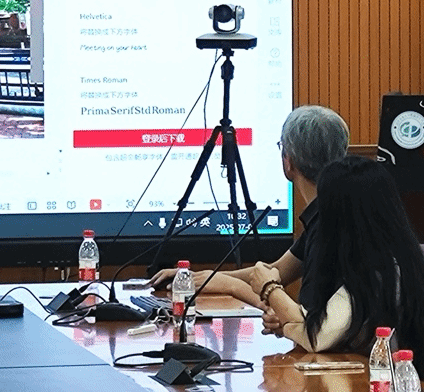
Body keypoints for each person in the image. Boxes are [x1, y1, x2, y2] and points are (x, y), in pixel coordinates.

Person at [247, 155, 424, 379]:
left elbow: (316, 337)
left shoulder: (382, 271)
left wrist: (270, 288)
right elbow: (323, 324)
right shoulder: (376, 257)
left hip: (400, 391)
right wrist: (289, 323)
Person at [147, 104, 349, 307]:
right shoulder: (336, 210)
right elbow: (277, 271)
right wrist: (203, 277)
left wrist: (231, 286)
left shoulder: (328, 225)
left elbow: (307, 320)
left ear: (288, 161)